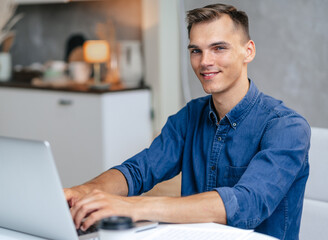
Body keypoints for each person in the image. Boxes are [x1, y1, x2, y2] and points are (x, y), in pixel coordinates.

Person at [65, 4, 310, 240]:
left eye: (218, 48)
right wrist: (85, 192)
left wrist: (133, 207)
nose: (205, 61)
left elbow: (246, 203)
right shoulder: (190, 116)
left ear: (248, 51)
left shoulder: (287, 127)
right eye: (196, 50)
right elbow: (139, 170)